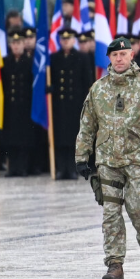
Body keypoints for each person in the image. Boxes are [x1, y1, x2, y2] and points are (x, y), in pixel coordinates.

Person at [76, 37, 140, 279]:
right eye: (114, 55)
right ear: (109, 58)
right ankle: (114, 264)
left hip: (138, 159)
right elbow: (87, 125)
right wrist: (81, 155)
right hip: (107, 160)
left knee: (139, 209)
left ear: (132, 55)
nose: (119, 59)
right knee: (110, 213)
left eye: (124, 54)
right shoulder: (98, 89)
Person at [50, 28, 89, 180]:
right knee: (60, 138)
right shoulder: (54, 58)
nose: (66, 42)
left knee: (74, 138)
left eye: (69, 39)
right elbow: (51, 78)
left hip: (75, 104)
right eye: (63, 39)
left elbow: (87, 82)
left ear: (74, 41)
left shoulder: (82, 57)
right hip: (59, 104)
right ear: (60, 41)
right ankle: (61, 169)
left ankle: (72, 169)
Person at [1, 29, 35, 176]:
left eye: (19, 43)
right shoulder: (5, 62)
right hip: (9, 107)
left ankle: (22, 167)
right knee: (10, 139)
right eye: (14, 43)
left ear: (23, 44)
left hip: (24, 106)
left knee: (24, 140)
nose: (16, 46)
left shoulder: (29, 62)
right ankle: (12, 167)